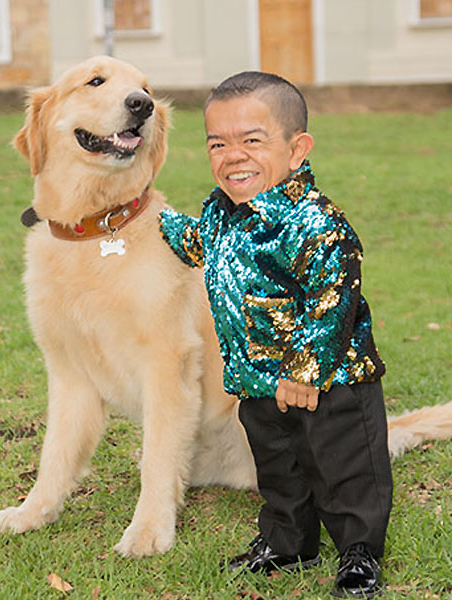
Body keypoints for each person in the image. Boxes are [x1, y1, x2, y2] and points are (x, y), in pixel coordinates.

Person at [159, 71, 391, 598]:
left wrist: (306, 371)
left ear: (296, 149)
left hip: (330, 383)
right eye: (218, 143)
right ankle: (287, 541)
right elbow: (197, 244)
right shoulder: (220, 215)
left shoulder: (316, 224)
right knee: (280, 468)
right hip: (255, 380)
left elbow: (335, 298)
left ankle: (359, 551)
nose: (232, 155)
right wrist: (156, 221)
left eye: (252, 140)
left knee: (344, 467)